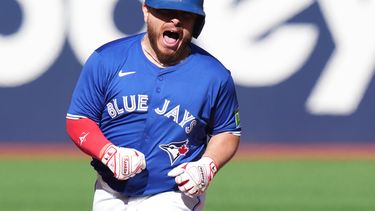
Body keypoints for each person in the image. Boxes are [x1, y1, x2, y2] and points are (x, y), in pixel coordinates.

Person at [66, 0, 241, 210]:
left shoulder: (215, 76)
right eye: (165, 12)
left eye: (185, 15)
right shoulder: (107, 60)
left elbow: (227, 132)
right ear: (146, 11)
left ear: (197, 22)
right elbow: (79, 119)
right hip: (109, 190)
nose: (175, 21)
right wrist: (107, 152)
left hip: (174, 192)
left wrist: (207, 164)